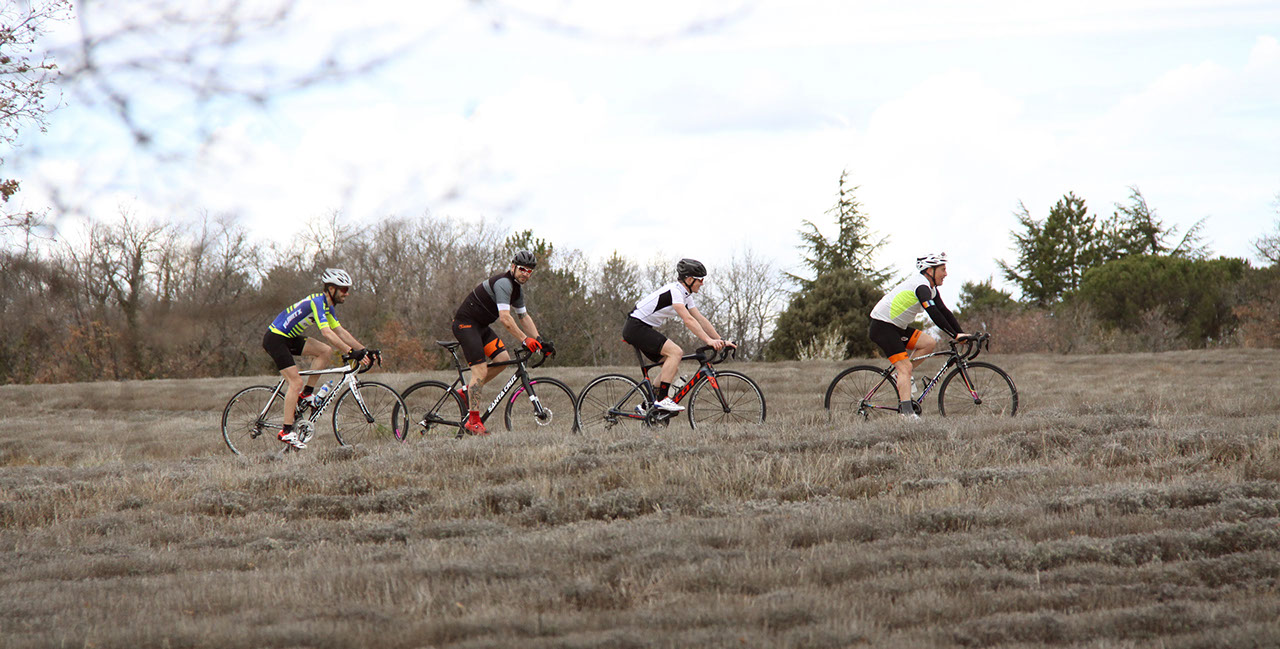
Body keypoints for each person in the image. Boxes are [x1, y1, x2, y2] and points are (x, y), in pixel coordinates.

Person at [263, 268, 377, 449]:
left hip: (288, 337)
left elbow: (339, 331)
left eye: (348, 290)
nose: (347, 294)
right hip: (276, 338)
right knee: (295, 382)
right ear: (331, 289)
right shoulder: (317, 302)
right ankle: (285, 431)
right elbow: (326, 332)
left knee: (325, 351)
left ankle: (307, 395)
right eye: (344, 289)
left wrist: (364, 350)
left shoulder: (327, 306)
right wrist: (350, 351)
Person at [452, 250, 555, 435]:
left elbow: (523, 317)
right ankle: (473, 421)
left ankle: (467, 391)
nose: (525, 273)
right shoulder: (504, 284)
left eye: (529, 271)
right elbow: (505, 319)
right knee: (480, 370)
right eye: (522, 269)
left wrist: (540, 341)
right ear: (513, 267)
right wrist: (525, 340)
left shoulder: (517, 291)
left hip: (481, 326)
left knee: (502, 360)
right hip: (465, 325)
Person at [623, 258, 734, 413]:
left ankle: (645, 406)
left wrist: (720, 340)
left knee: (671, 367)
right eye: (700, 280)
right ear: (689, 279)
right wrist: (708, 340)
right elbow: (688, 320)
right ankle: (662, 399)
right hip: (636, 327)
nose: (702, 283)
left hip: (641, 327)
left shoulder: (685, 295)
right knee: (676, 352)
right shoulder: (675, 291)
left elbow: (700, 319)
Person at [868, 252, 972, 417]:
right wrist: (954, 335)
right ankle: (907, 415)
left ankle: (899, 377)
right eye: (943, 269)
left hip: (897, 327)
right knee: (905, 367)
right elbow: (933, 313)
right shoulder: (921, 286)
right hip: (883, 326)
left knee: (928, 343)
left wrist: (960, 333)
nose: (946, 274)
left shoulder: (931, 289)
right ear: (930, 270)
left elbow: (944, 311)